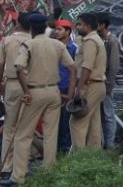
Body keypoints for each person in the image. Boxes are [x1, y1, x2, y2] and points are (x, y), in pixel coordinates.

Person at [0, 13, 77, 186]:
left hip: (35, 92)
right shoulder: (57, 44)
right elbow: (72, 68)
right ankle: (48, 172)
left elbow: (19, 68)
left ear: (32, 28)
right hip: (54, 92)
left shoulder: (29, 45)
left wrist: (26, 91)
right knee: (50, 134)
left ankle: (18, 176)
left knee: (23, 135)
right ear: (45, 27)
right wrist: (70, 94)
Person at [0, 13, 30, 173]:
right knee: (26, 129)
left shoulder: (7, 41)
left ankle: (6, 166)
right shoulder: (34, 41)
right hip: (30, 86)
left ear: (17, 24)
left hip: (13, 85)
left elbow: (0, 66)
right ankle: (22, 166)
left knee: (9, 126)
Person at [70, 13, 106, 150]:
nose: (77, 26)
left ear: (87, 26)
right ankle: (93, 156)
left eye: (79, 24)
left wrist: (79, 88)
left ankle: (78, 158)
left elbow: (87, 66)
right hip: (97, 85)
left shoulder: (90, 42)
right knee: (93, 124)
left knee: (77, 123)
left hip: (90, 85)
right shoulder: (96, 39)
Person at [96, 12, 119, 150]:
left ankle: (110, 143)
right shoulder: (99, 39)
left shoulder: (112, 41)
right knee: (100, 114)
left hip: (106, 84)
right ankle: (103, 141)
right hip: (99, 83)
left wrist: (109, 85)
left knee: (108, 114)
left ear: (103, 25)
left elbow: (114, 65)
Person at [53, 19, 76, 152]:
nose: (56, 32)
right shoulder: (53, 47)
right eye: (56, 29)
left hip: (66, 88)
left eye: (60, 29)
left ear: (68, 32)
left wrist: (71, 92)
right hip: (54, 87)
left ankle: (64, 148)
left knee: (65, 121)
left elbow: (75, 71)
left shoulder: (73, 49)